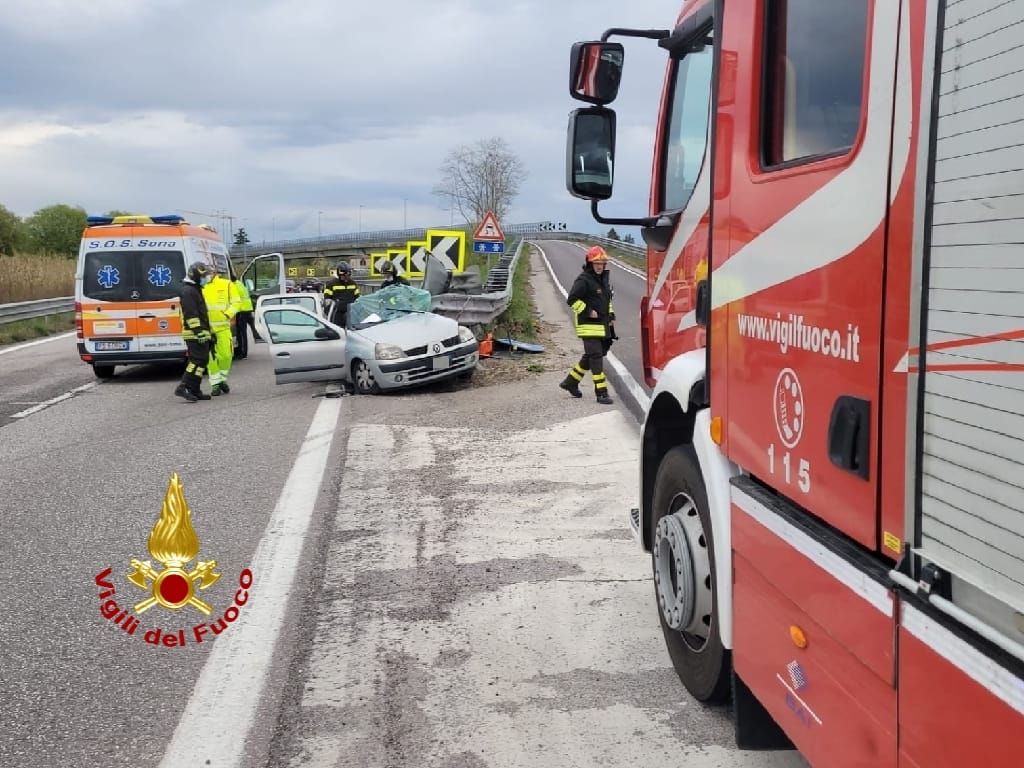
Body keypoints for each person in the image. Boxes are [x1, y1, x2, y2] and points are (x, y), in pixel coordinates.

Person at [560, 245, 617, 405]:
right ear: (590, 263)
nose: (600, 265)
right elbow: (572, 299)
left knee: (591, 356)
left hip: (603, 326)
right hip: (588, 326)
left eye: (602, 263)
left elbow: (607, 301)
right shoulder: (583, 280)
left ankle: (570, 382)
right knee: (596, 358)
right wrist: (587, 311)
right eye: (597, 262)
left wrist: (611, 314)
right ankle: (602, 393)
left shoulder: (603, 280)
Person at [174, 263, 214, 402]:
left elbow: (202, 314)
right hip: (194, 333)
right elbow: (191, 314)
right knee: (196, 361)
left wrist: (209, 333)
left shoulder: (195, 289)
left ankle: (194, 389)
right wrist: (199, 332)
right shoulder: (188, 291)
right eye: (203, 276)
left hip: (200, 332)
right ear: (195, 276)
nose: (206, 278)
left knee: (202, 361)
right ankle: (183, 386)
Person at [202, 265, 243, 396]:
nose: (207, 275)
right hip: (206, 329)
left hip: (223, 327)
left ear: (214, 272)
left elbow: (237, 302)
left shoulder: (227, 284)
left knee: (226, 355)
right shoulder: (199, 286)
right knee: (210, 359)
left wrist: (228, 314)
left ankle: (222, 380)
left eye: (209, 272)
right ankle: (215, 384)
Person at [323, 261, 361, 327]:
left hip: (350, 314)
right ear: (339, 274)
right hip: (336, 315)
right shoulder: (331, 284)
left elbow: (357, 298)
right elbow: (327, 300)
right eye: (344, 276)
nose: (346, 278)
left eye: (348, 276)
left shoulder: (353, 284)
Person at [232, 276, 257, 359]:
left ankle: (243, 353)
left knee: (242, 333)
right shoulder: (239, 283)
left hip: (242, 310)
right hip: (247, 308)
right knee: (242, 332)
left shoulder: (234, 286)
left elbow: (234, 299)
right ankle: (241, 351)